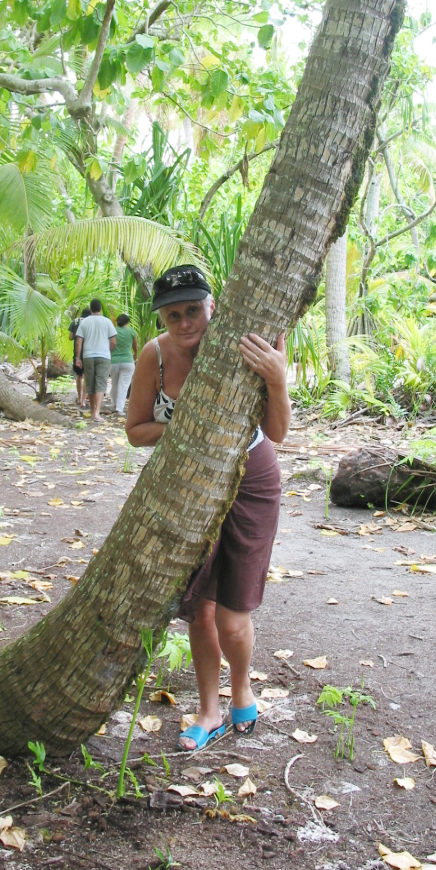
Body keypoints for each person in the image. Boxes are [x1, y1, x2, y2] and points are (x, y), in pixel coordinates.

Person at [126, 265, 290, 751]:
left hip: (252, 479)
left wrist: (278, 379)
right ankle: (209, 709)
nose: (184, 323)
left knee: (232, 616)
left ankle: (242, 691)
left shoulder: (245, 345)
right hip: (187, 485)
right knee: (199, 610)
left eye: (193, 310)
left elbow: (278, 432)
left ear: (211, 305)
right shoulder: (153, 357)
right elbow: (135, 431)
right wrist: (194, 428)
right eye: (173, 315)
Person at [74, 298, 116, 422]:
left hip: (88, 355)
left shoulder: (85, 322)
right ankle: (97, 412)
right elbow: (113, 342)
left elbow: (78, 342)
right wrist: (108, 351)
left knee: (91, 384)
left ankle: (93, 411)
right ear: (100, 308)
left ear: (91, 308)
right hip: (104, 356)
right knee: (101, 384)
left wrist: (78, 357)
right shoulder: (107, 322)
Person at [110, 313, 138, 417]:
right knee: (124, 386)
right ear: (127, 322)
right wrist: (134, 358)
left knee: (114, 383)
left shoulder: (113, 331)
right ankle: (119, 409)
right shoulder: (131, 332)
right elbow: (135, 348)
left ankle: (114, 404)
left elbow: (110, 345)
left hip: (114, 361)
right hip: (127, 361)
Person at [68, 308, 90, 409]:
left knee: (79, 375)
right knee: (86, 375)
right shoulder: (90, 322)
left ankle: (79, 397)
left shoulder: (75, 321)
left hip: (77, 350)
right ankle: (84, 400)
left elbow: (70, 336)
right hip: (88, 350)